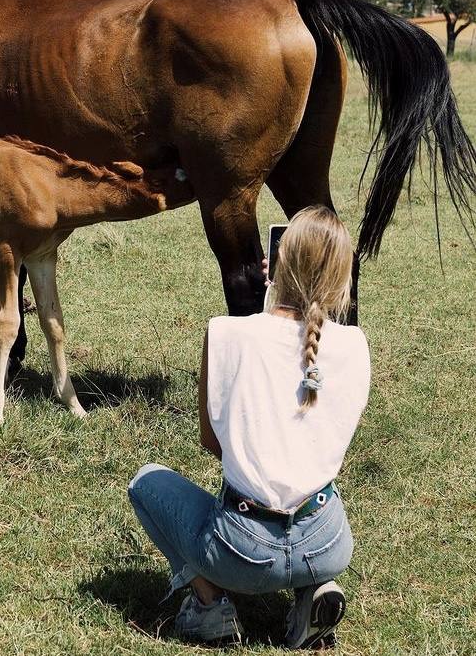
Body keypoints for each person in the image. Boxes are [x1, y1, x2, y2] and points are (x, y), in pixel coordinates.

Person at [128, 206, 371, 648]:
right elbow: (304, 349)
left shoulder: (225, 333)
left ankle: (210, 604)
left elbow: (211, 440)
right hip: (328, 541)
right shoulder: (356, 346)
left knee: (146, 482)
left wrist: (274, 291)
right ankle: (313, 588)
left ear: (278, 263)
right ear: (344, 275)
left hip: (243, 549)